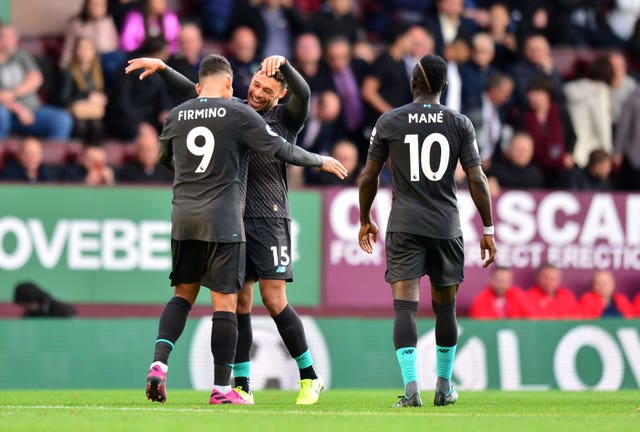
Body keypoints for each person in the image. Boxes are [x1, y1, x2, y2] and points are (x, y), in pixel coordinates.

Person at [137, 54, 346, 406]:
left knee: (274, 298)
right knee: (239, 302)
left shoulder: (284, 118)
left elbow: (305, 94)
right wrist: (164, 71)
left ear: (279, 96)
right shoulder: (232, 108)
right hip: (233, 219)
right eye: (256, 85)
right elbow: (200, 91)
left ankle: (309, 376)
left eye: (268, 89)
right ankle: (242, 384)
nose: (259, 92)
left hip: (270, 216)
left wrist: (287, 69)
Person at [358, 54, 496, 408]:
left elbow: (368, 177)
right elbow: (477, 178)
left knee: (404, 307)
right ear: (444, 87)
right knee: (445, 310)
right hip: (445, 226)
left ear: (412, 84)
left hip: (404, 224)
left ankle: (410, 389)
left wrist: (364, 219)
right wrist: (489, 228)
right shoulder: (460, 122)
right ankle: (444, 387)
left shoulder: (389, 120)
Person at [0, 22, 73, 140]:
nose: (16, 39)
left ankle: (48, 157)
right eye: (11, 36)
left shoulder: (21, 55)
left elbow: (36, 79)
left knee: (62, 119)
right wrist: (19, 109)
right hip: (7, 113)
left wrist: (13, 93)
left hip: (33, 110)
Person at [58, 37, 108, 143]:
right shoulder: (69, 72)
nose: (85, 52)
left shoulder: (97, 73)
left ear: (94, 52)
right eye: (81, 48)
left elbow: (101, 93)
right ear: (76, 51)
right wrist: (88, 97)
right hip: (75, 111)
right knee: (82, 125)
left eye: (88, 49)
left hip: (93, 112)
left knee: (97, 124)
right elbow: (63, 98)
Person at [468, 266, 533, 319]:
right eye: (498, 280)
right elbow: (479, 325)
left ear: (510, 282)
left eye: (504, 281)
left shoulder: (519, 295)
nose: (501, 285)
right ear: (491, 280)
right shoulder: (481, 299)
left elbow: (531, 318)